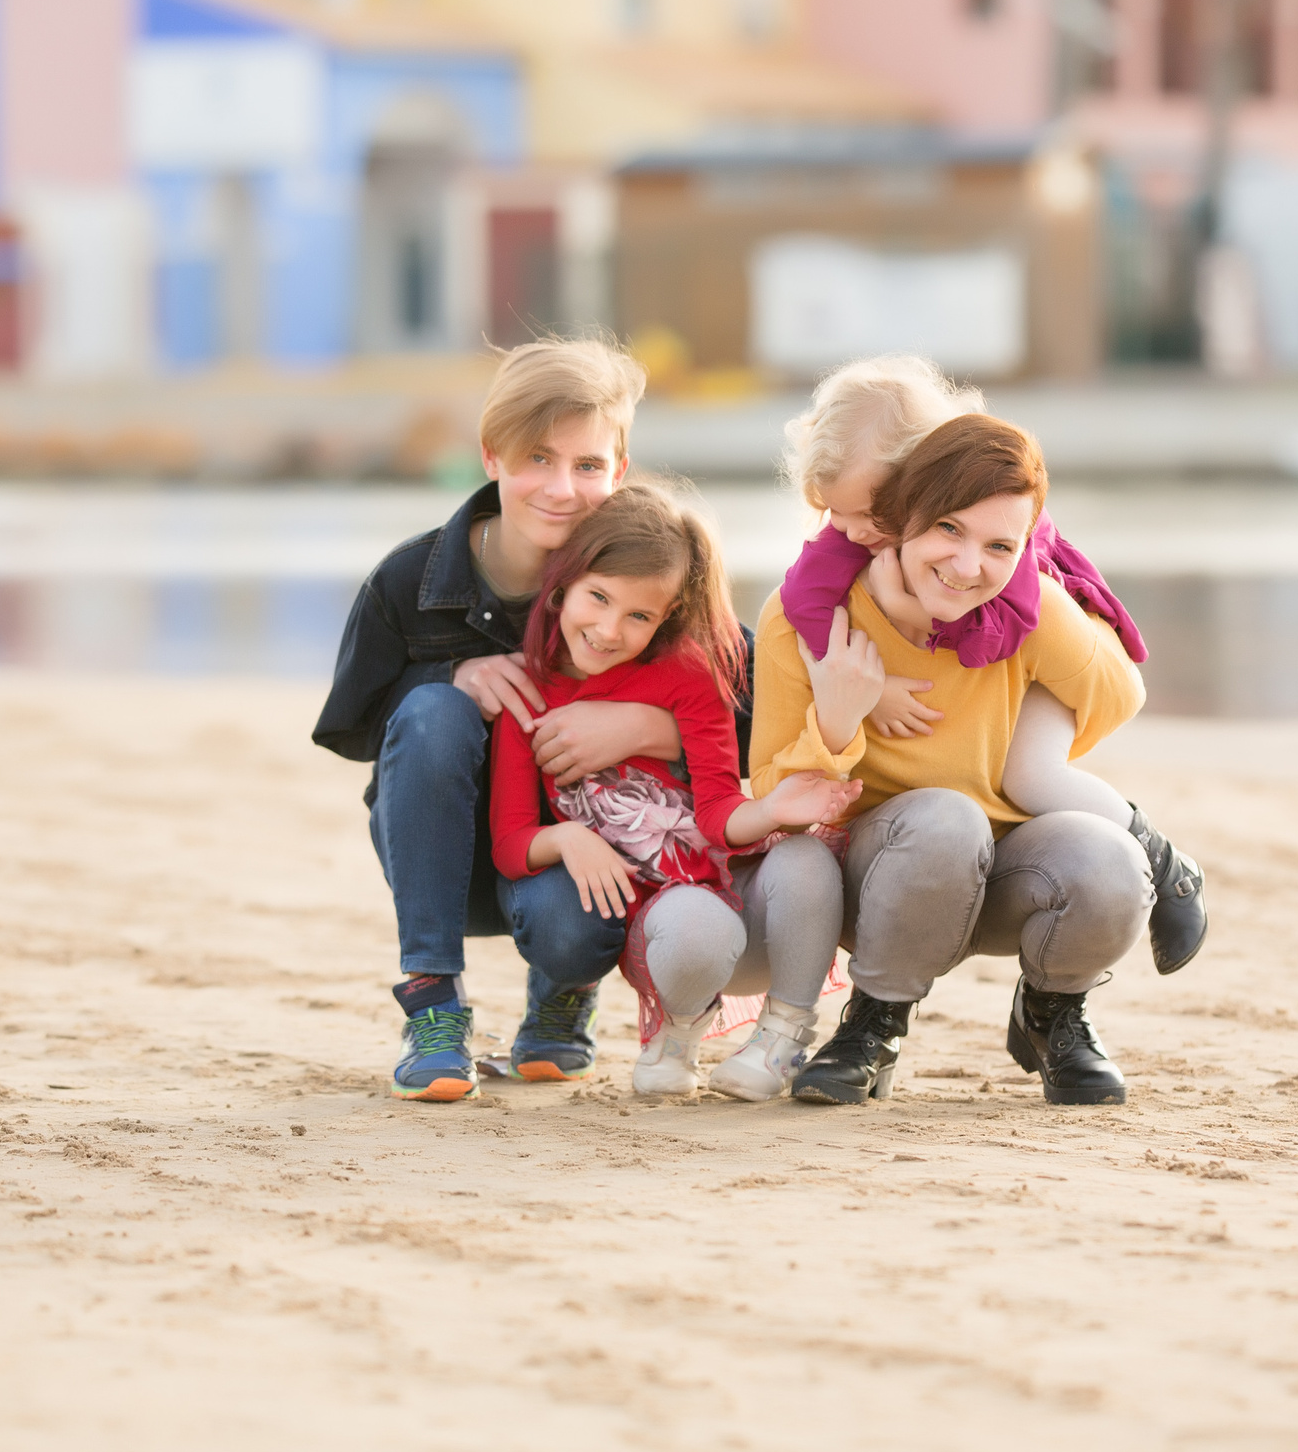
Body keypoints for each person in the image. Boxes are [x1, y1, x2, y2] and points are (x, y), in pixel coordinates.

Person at [313, 340, 702, 1103]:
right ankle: (433, 1005)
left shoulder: (647, 571)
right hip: (442, 863)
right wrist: (449, 676)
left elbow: (749, 714)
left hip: (573, 863)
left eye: (588, 465)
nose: (563, 488)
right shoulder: (411, 580)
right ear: (492, 457)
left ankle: (561, 996)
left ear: (619, 469)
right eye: (537, 459)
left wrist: (640, 729)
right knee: (432, 712)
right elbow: (351, 727)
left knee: (578, 927)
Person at [750, 414, 1153, 1106]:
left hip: (1001, 872)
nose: (968, 567)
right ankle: (875, 1023)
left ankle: (1053, 1012)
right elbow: (773, 791)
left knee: (1113, 857)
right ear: (901, 517)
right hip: (876, 882)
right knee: (945, 818)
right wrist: (843, 716)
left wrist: (1031, 723)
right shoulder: (805, 619)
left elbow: (1119, 694)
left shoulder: (1024, 610)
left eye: (1001, 544)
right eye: (948, 530)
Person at [776, 356, 1206, 972]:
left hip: (1050, 635)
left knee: (1031, 778)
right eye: (830, 512)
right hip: (973, 708)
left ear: (924, 479)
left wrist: (915, 616)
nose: (846, 531)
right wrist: (861, 681)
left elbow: (1001, 628)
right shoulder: (854, 534)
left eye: (865, 514)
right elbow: (802, 598)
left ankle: (1168, 867)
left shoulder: (995, 531)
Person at [486, 484, 857, 1099]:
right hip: (664, 926)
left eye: (638, 616)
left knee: (807, 857)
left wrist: (769, 810)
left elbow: (715, 814)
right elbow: (509, 841)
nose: (608, 630)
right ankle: (679, 1032)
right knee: (695, 926)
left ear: (667, 616)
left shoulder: (689, 672)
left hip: (742, 900)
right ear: (562, 584)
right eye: (598, 598)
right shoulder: (525, 693)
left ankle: (781, 1039)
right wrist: (569, 838)